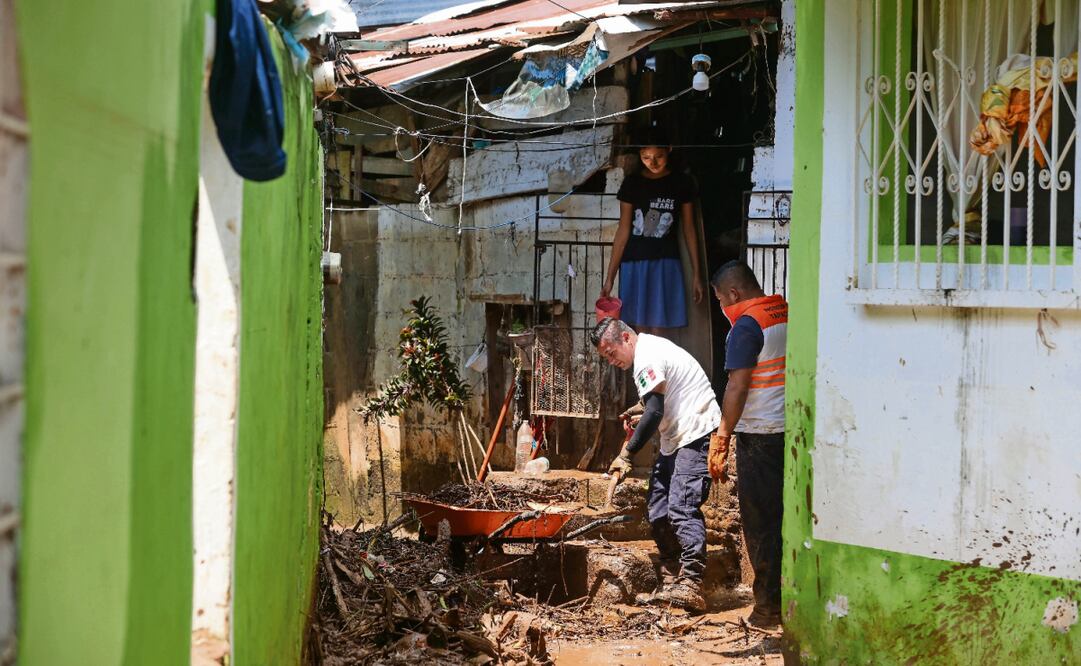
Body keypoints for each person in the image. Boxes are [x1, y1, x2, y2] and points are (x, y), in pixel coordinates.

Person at [590, 317, 723, 612]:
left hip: (696, 431)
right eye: (606, 357)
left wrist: (627, 454)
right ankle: (672, 575)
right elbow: (656, 400)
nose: (611, 361)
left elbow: (654, 412)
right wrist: (641, 408)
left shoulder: (647, 355)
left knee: (682, 506)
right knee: (658, 508)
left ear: (626, 338)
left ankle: (692, 583)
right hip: (676, 436)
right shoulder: (647, 353)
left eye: (611, 353)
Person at [707, 261, 787, 628]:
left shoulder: (746, 326)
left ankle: (768, 609)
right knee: (786, 518)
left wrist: (722, 435)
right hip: (792, 428)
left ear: (734, 295)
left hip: (760, 434)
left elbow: (737, 386)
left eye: (722, 299)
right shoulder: (782, 310)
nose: (722, 306)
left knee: (761, 524)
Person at [601, 128, 705, 334]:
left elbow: (689, 229)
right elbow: (623, 232)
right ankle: (643, 368)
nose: (653, 162)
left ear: (669, 150)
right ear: (639, 155)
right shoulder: (632, 183)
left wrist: (697, 274)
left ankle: (658, 368)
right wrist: (609, 278)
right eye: (646, 157)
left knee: (660, 328)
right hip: (634, 263)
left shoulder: (681, 183)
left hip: (665, 263)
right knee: (637, 329)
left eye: (659, 157)